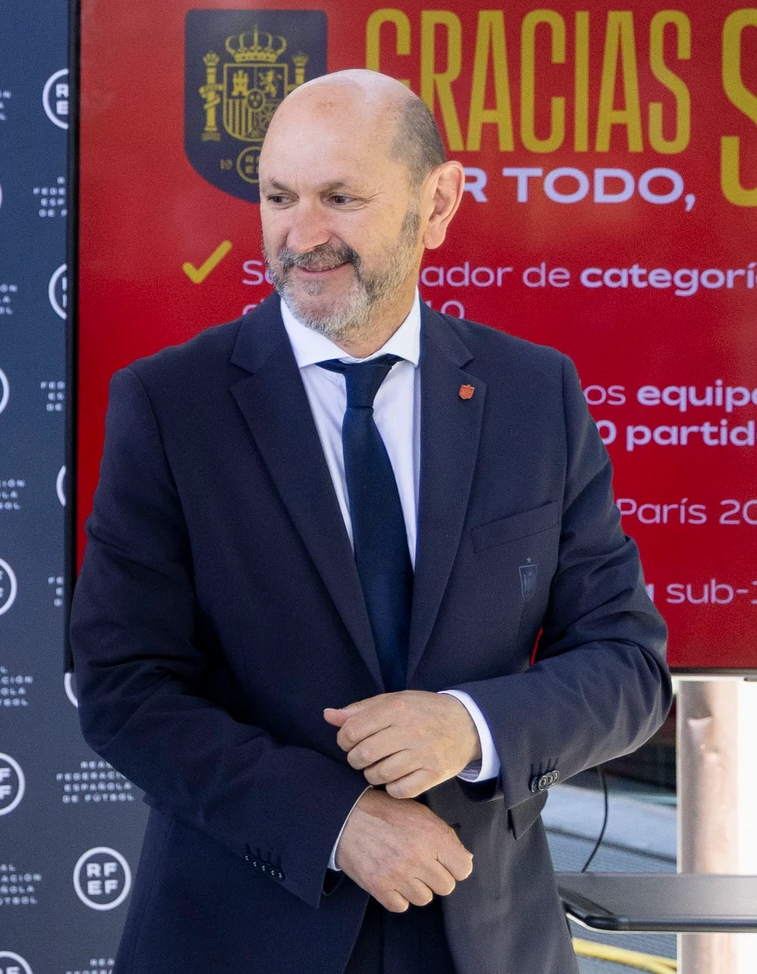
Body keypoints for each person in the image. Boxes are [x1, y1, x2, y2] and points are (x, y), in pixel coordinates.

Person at [69, 69, 670, 974]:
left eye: (341, 198)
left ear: (438, 204)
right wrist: (334, 820)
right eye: (279, 197)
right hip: (243, 935)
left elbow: (629, 665)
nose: (302, 235)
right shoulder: (170, 404)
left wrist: (470, 725)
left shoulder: (534, 395)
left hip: (484, 936)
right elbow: (122, 687)